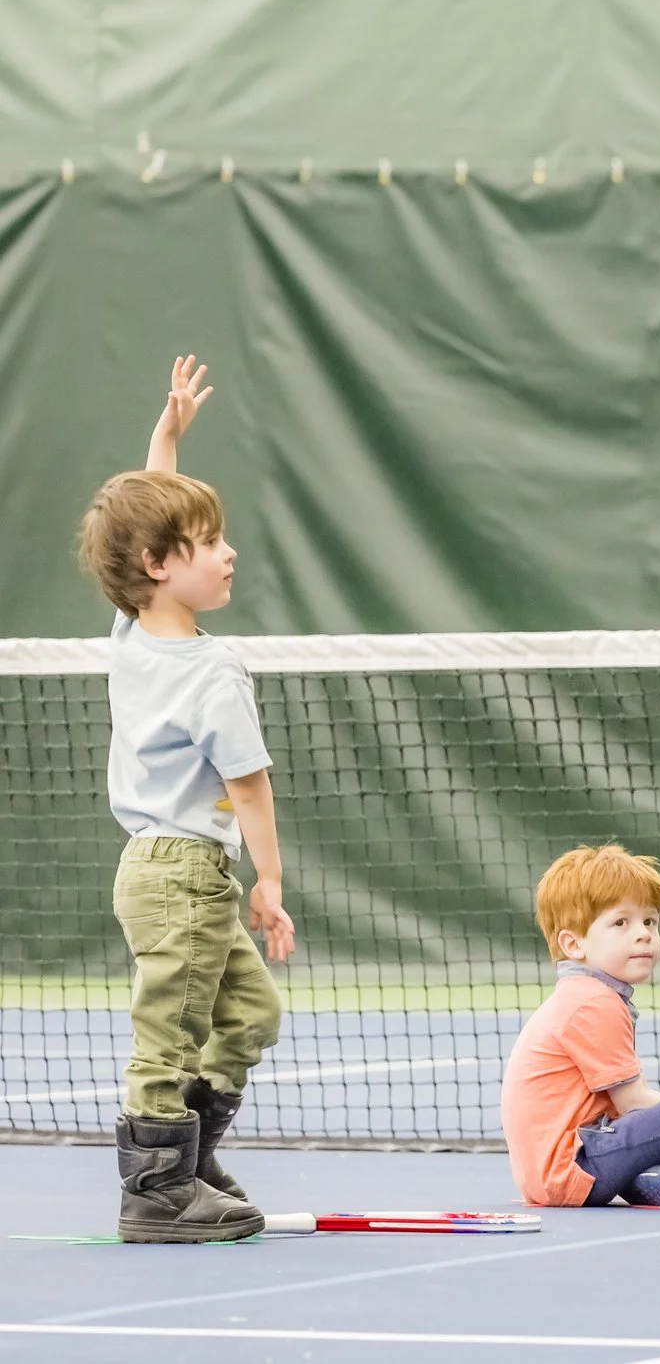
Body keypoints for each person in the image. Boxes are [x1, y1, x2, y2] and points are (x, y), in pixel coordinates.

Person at [76, 357, 288, 1243]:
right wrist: (269, 883)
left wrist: (166, 440)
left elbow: (141, 527)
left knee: (249, 1014)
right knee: (168, 1029)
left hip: (159, 872)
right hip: (185, 876)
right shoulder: (211, 675)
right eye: (210, 542)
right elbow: (249, 787)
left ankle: (188, 1158)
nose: (228, 550)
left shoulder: (132, 634)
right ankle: (157, 1191)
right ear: (162, 566)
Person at [501, 845, 660, 1208]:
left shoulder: (588, 994)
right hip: (572, 1167)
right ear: (574, 944)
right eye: (621, 922)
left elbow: (628, 1105)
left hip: (561, 1168)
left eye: (650, 921)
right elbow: (634, 1101)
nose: (644, 934)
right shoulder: (594, 1002)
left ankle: (646, 1179)